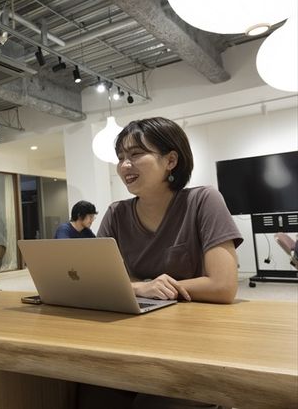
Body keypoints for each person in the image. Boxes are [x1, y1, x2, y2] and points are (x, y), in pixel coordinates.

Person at [80, 117, 243, 409]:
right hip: (132, 337)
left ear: (170, 160)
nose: (124, 165)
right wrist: (143, 289)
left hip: (194, 341)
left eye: (135, 154)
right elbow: (97, 282)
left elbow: (223, 286)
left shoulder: (203, 201)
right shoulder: (116, 213)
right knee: (86, 391)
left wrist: (150, 287)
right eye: (120, 158)